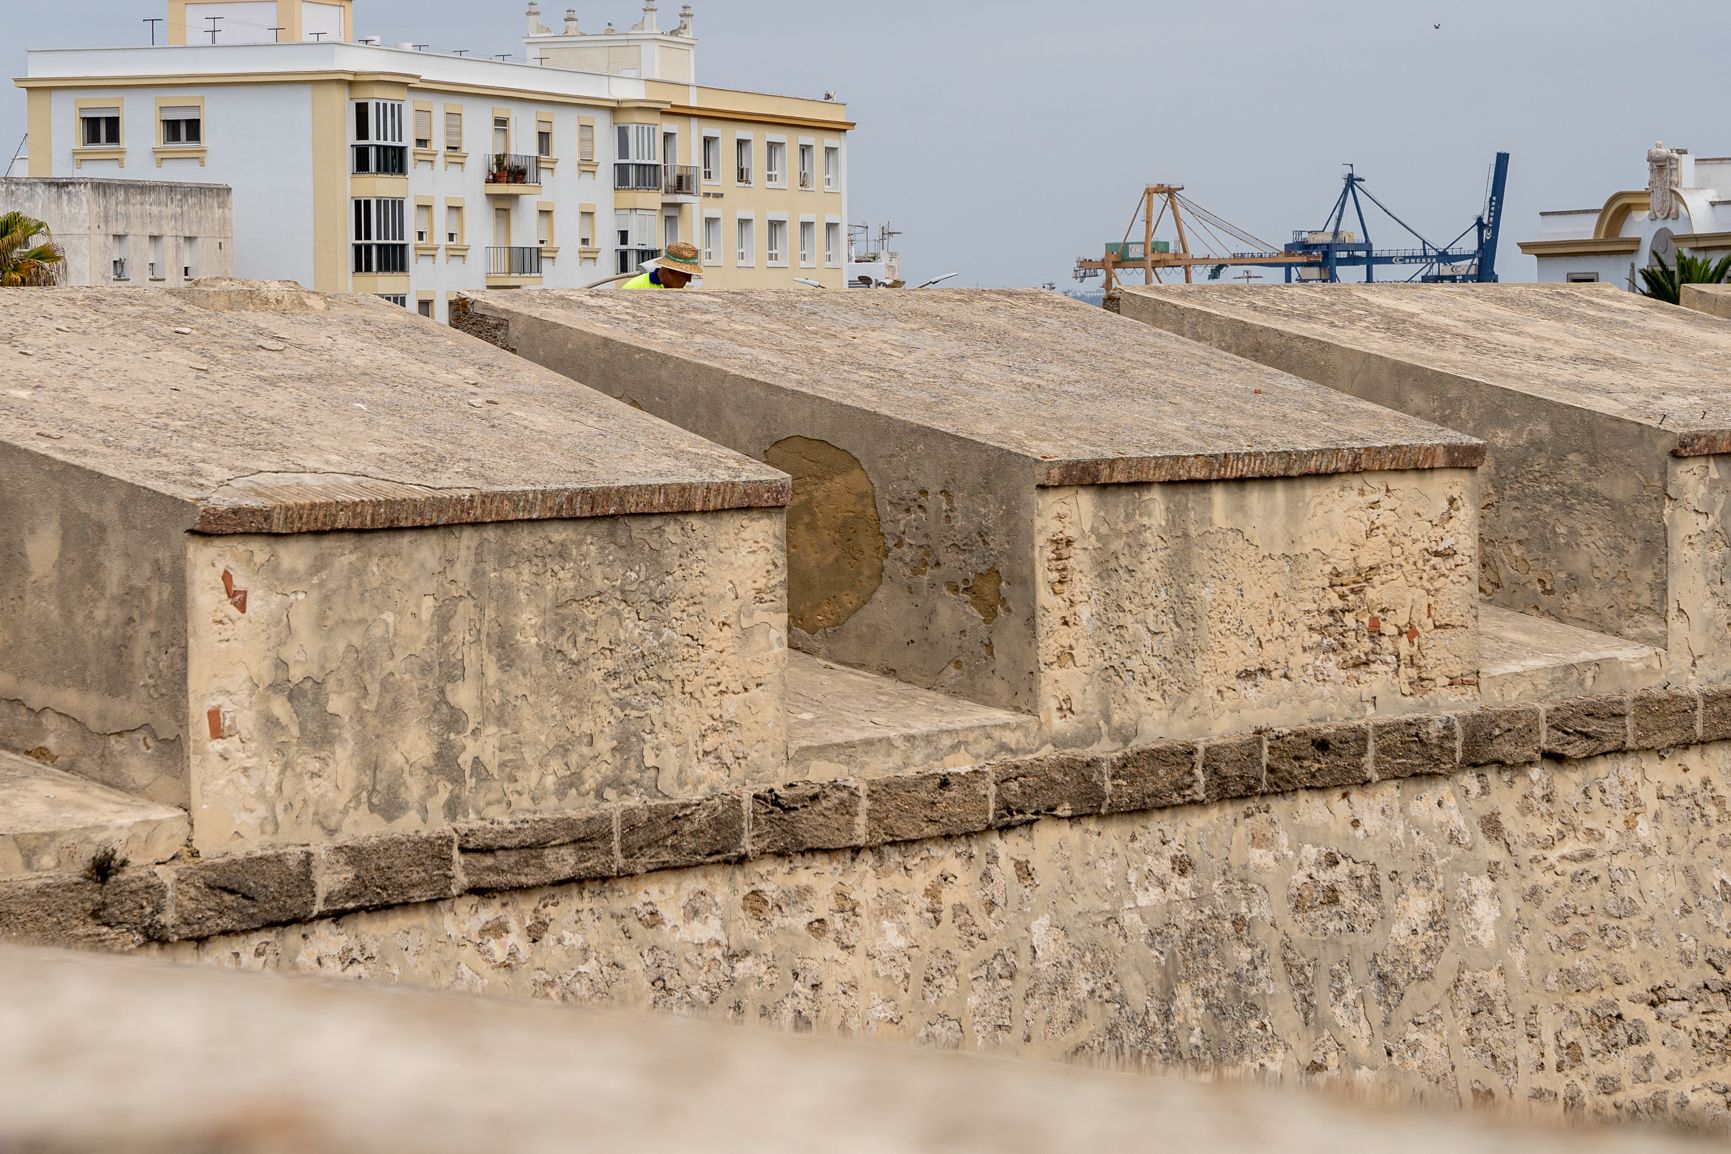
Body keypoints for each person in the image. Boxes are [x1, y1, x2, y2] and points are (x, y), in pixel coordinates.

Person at [621, 241, 702, 289]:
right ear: (670, 270)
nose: (689, 280)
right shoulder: (635, 286)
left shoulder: (684, 293)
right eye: (686, 275)